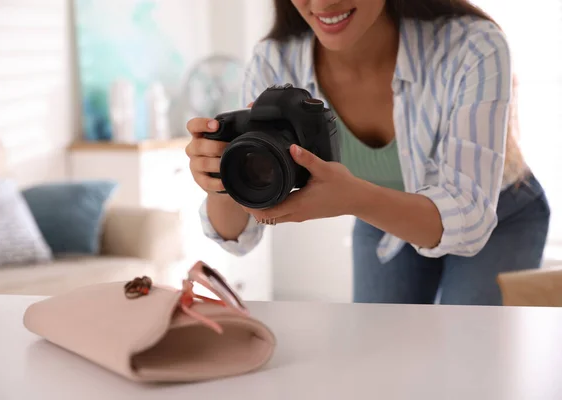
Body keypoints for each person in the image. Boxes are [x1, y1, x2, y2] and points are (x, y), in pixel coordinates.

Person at [185, 0, 551, 306]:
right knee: (382, 358)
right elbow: (237, 235)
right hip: (379, 215)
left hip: (500, 214)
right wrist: (221, 177)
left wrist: (355, 199)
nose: (323, 3)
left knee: (472, 362)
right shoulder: (275, 61)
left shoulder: (472, 46)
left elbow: (469, 217)